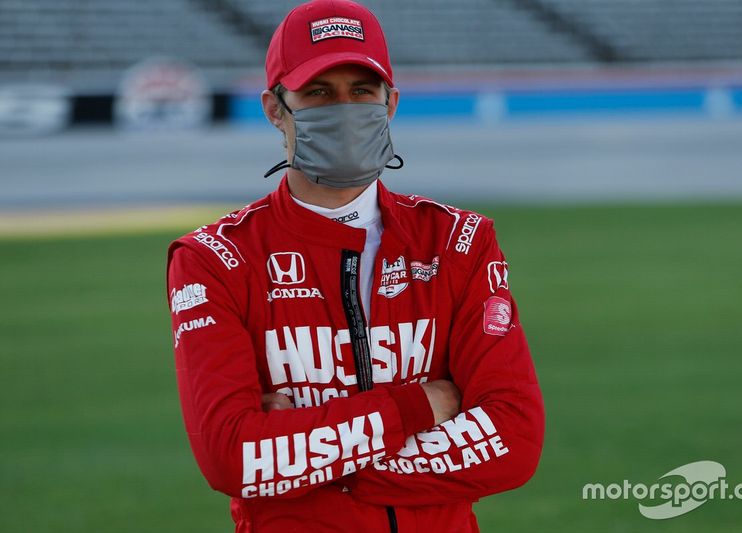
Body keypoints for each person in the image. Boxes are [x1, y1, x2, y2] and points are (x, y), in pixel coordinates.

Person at [166, 1, 544, 530]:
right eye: (318, 93)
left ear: (390, 104)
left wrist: (311, 461)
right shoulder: (214, 259)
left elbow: (515, 439)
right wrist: (416, 408)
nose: (343, 109)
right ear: (275, 108)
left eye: (362, 91)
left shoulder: (458, 241)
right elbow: (233, 458)